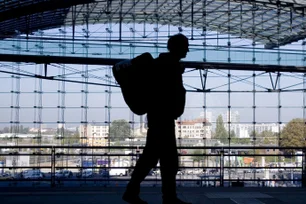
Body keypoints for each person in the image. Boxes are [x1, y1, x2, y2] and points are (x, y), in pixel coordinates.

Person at [122, 33, 191, 204]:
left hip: (159, 119)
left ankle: (140, 193)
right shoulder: (168, 67)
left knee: (155, 159)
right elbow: (170, 94)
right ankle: (166, 197)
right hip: (163, 120)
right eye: (185, 46)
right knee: (161, 161)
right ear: (177, 47)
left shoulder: (165, 65)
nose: (188, 49)